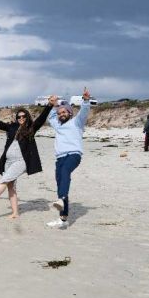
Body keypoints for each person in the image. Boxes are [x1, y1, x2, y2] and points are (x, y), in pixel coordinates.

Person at [0, 99, 54, 218]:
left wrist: (49, 105)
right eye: (19, 117)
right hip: (8, 161)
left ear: (27, 117)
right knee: (11, 187)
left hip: (21, 161)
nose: (21, 118)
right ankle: (15, 213)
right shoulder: (12, 127)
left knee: (5, 179)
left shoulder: (31, 127)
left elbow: (41, 118)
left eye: (23, 116)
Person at [46, 87, 92, 228]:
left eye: (64, 112)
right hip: (59, 158)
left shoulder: (76, 123)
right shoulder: (57, 125)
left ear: (70, 113)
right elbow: (51, 117)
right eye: (60, 113)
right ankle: (63, 219)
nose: (61, 114)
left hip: (73, 155)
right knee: (61, 183)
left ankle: (61, 200)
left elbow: (84, 112)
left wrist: (85, 100)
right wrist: (53, 105)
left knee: (65, 172)